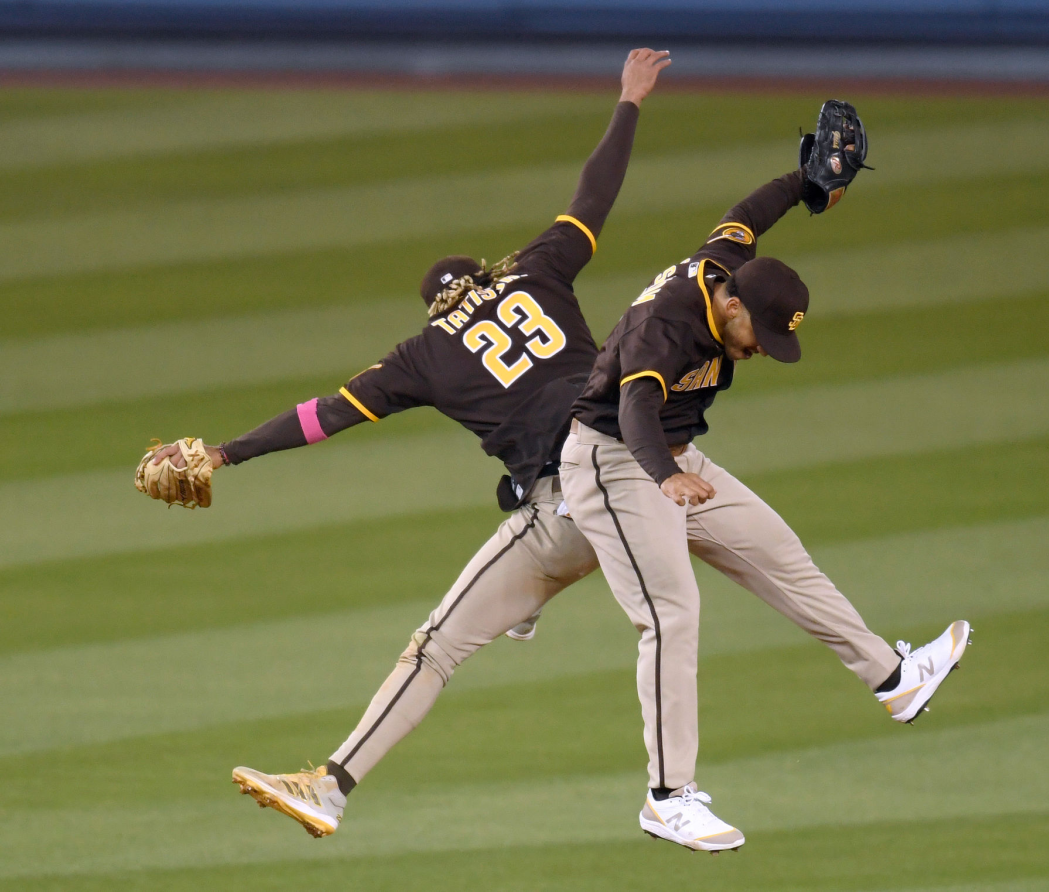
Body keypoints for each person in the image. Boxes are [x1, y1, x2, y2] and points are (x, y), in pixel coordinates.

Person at [146, 48, 671, 838]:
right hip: (644, 463)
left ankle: (334, 783)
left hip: (571, 505)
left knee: (435, 645)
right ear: (486, 277)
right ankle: (886, 666)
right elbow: (594, 195)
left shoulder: (422, 355)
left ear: (434, 308)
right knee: (751, 553)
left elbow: (322, 416)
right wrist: (630, 99)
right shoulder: (536, 272)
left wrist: (227, 452)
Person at [559, 152, 971, 853]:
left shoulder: (727, 265)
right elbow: (632, 410)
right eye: (763, 335)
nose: (763, 350)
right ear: (733, 306)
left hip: (675, 457)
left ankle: (894, 679)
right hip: (614, 461)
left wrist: (808, 185)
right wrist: (665, 479)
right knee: (671, 614)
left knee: (776, 547)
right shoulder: (670, 325)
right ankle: (668, 798)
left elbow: (748, 217)